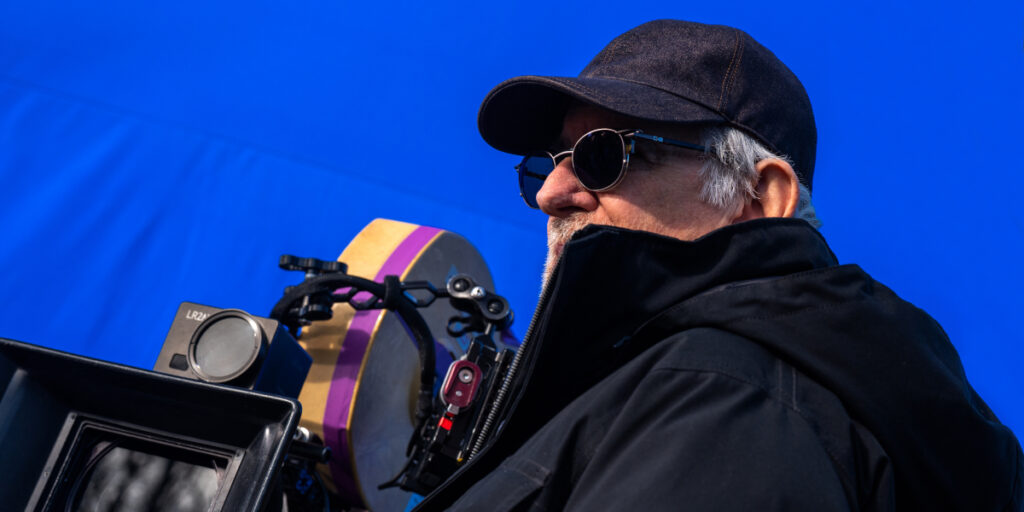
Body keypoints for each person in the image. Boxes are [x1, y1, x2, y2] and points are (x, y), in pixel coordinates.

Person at [412, 20, 1023, 511]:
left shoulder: (724, 393)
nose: (550, 195)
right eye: (547, 165)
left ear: (763, 198)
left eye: (604, 155)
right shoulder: (686, 392)